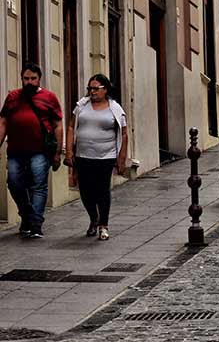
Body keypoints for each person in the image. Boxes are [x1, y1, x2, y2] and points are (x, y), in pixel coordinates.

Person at [0, 62, 63, 238]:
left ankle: (35, 223)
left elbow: (58, 125)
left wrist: (58, 151)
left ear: (39, 79)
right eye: (26, 78)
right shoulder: (13, 97)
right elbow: (3, 122)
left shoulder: (49, 97)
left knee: (38, 185)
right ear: (21, 78)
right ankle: (26, 213)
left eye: (33, 78)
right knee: (13, 182)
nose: (29, 82)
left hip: (40, 150)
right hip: (15, 150)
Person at [65, 74, 128, 241]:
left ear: (105, 89)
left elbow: (124, 133)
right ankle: (94, 217)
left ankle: (103, 225)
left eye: (96, 89)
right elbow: (71, 127)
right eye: (90, 89)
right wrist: (69, 151)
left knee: (102, 190)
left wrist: (121, 158)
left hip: (105, 156)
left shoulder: (114, 108)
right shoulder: (81, 106)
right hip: (83, 155)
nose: (92, 92)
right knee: (85, 191)